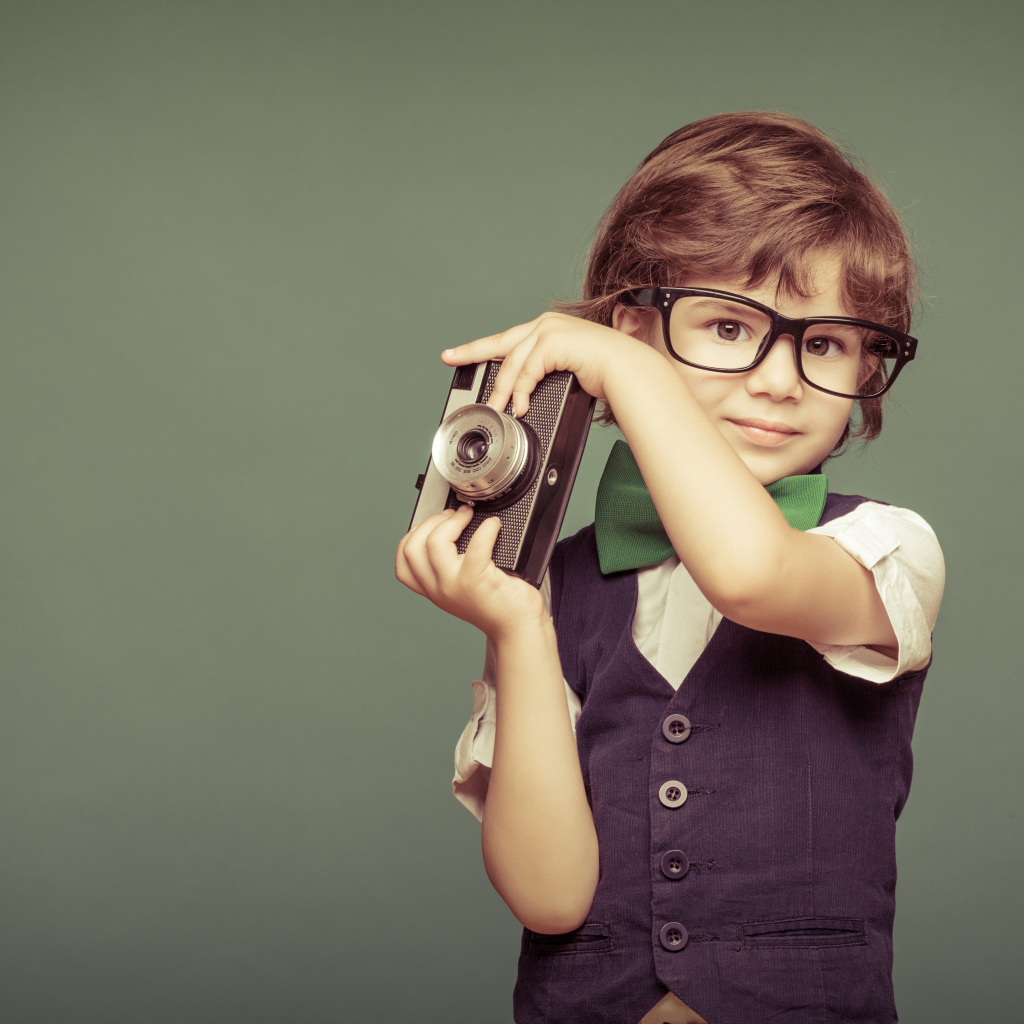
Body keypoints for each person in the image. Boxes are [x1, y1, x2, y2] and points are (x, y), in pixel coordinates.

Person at [395, 112, 944, 1024]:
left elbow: (751, 573)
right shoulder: (554, 584)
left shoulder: (887, 550)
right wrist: (518, 627)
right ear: (636, 328)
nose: (780, 381)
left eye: (824, 343)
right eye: (729, 326)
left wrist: (628, 371)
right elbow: (549, 898)